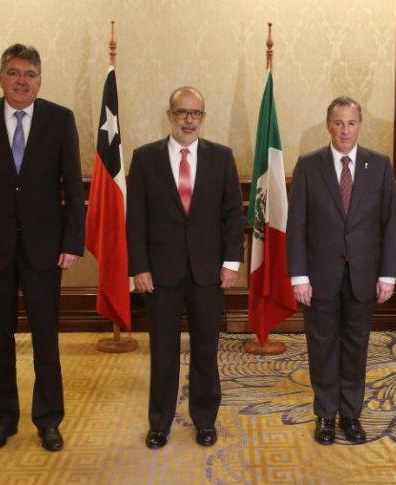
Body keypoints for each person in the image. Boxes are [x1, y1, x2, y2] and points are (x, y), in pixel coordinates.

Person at [0, 44, 85, 453]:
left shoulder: (60, 120)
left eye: (29, 74)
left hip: (46, 249)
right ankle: (2, 420)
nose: (22, 81)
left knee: (46, 339)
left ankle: (48, 421)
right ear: (1, 77)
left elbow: (73, 188)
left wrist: (72, 242)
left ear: (40, 81)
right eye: (14, 73)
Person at [126, 87, 245, 449]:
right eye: (182, 113)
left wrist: (230, 262)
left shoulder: (221, 158)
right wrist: (139, 268)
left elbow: (231, 216)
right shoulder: (145, 158)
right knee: (163, 351)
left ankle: (205, 420)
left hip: (208, 272)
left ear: (203, 118)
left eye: (196, 114)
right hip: (160, 274)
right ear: (170, 115)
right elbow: (136, 221)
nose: (189, 120)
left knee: (206, 351)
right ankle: (159, 423)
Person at [286, 96, 396, 445]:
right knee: (321, 347)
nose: (344, 130)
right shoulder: (309, 165)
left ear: (359, 125)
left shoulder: (379, 166)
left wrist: (388, 274)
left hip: (364, 276)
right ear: (328, 125)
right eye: (338, 122)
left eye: (351, 123)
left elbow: (389, 224)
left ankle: (351, 414)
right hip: (319, 277)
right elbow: (298, 225)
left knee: (356, 347)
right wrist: (299, 276)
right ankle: (325, 415)